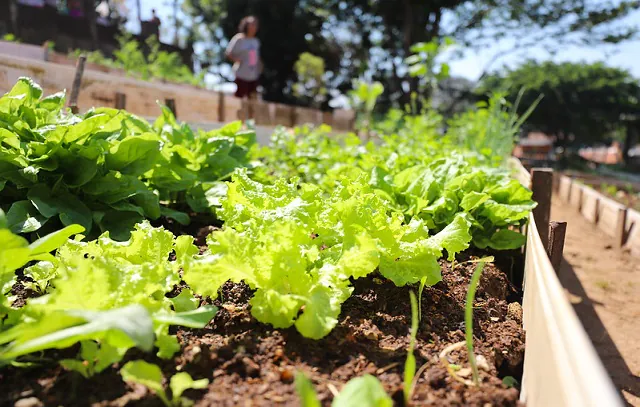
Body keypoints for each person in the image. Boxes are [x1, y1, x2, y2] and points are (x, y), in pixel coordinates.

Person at [225, 16, 262, 99]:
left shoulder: (256, 41)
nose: (254, 27)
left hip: (253, 76)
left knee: (252, 100)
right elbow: (228, 53)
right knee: (239, 98)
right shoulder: (239, 39)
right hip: (241, 74)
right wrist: (237, 60)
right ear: (246, 26)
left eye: (255, 25)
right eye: (251, 24)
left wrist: (259, 67)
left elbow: (256, 57)